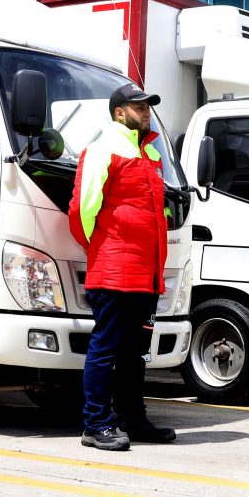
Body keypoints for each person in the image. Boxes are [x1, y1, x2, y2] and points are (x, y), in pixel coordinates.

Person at [68, 82, 176, 451]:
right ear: (119, 112)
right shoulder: (103, 148)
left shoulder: (151, 156)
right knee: (107, 349)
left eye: (148, 107)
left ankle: (133, 420)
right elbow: (82, 210)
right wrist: (102, 250)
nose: (146, 112)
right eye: (138, 107)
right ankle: (96, 425)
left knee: (135, 353)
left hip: (146, 274)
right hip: (116, 269)